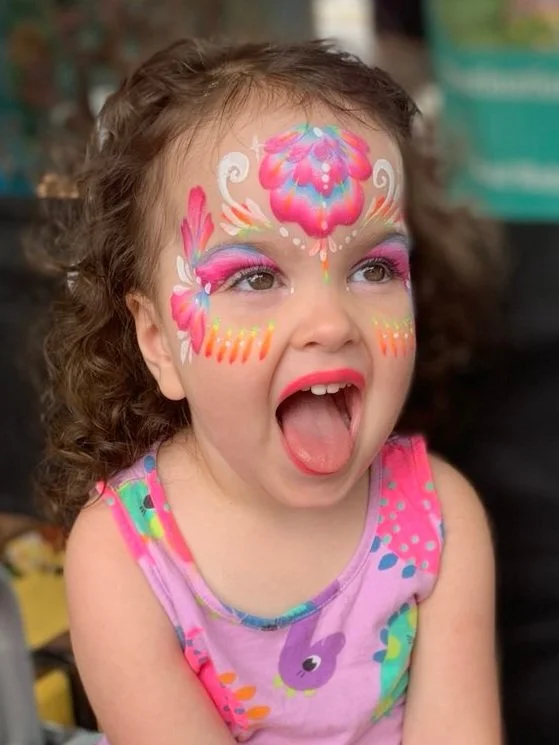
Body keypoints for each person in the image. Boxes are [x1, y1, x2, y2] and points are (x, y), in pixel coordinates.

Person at [36, 39, 501, 744]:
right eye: (254, 277)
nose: (330, 323)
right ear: (159, 341)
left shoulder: (438, 519)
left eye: (373, 268)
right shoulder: (121, 558)